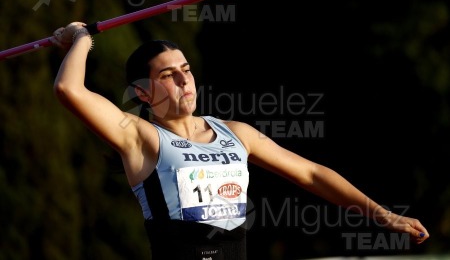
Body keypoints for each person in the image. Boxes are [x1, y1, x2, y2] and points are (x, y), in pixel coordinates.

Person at [51, 22, 429, 260]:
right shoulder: (139, 137)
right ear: (143, 93)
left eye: (186, 70)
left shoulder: (237, 134)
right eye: (168, 75)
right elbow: (69, 88)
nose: (184, 81)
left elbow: (311, 174)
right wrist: (80, 37)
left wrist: (382, 213)